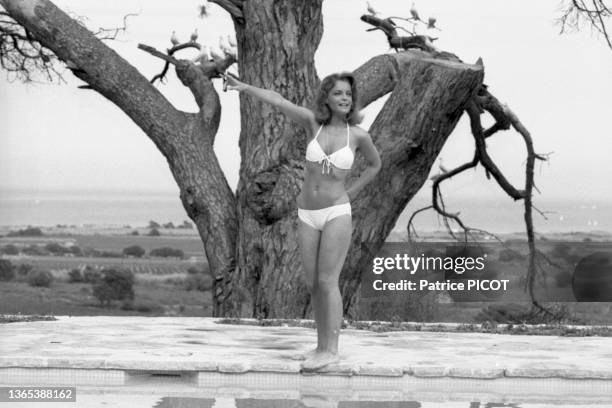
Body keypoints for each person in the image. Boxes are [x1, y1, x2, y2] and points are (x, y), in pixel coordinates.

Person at [225, 72, 381, 371]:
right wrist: (245, 86)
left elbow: (375, 165)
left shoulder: (359, 136)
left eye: (348, 94)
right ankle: (320, 345)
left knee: (327, 280)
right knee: (312, 284)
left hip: (336, 211)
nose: (344, 98)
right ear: (327, 98)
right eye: (338, 93)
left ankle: (331, 349)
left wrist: (352, 192)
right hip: (307, 212)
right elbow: (278, 100)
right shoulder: (313, 124)